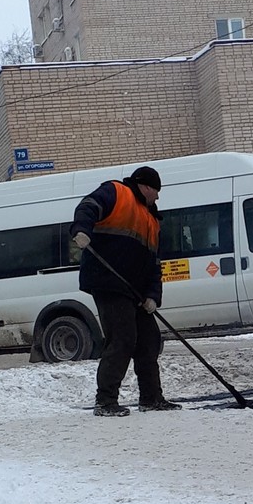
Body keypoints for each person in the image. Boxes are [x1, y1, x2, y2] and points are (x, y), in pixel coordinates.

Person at [69, 165, 181, 418]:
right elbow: (87, 207)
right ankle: (105, 401)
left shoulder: (152, 220)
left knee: (149, 340)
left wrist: (153, 296)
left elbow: (154, 264)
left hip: (137, 292)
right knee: (122, 339)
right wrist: (81, 230)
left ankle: (151, 398)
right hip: (108, 282)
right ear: (145, 186)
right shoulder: (116, 192)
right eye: (156, 190)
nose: (158, 197)